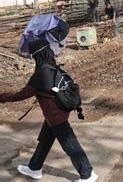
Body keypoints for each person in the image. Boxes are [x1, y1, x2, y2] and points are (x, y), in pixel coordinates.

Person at [0, 39, 97, 182]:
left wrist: (1, 97)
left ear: (37, 55)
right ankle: (34, 168)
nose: (32, 58)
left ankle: (88, 174)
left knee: (71, 145)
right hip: (57, 113)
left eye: (32, 55)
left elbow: (20, 95)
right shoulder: (52, 66)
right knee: (45, 141)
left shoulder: (41, 74)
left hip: (56, 117)